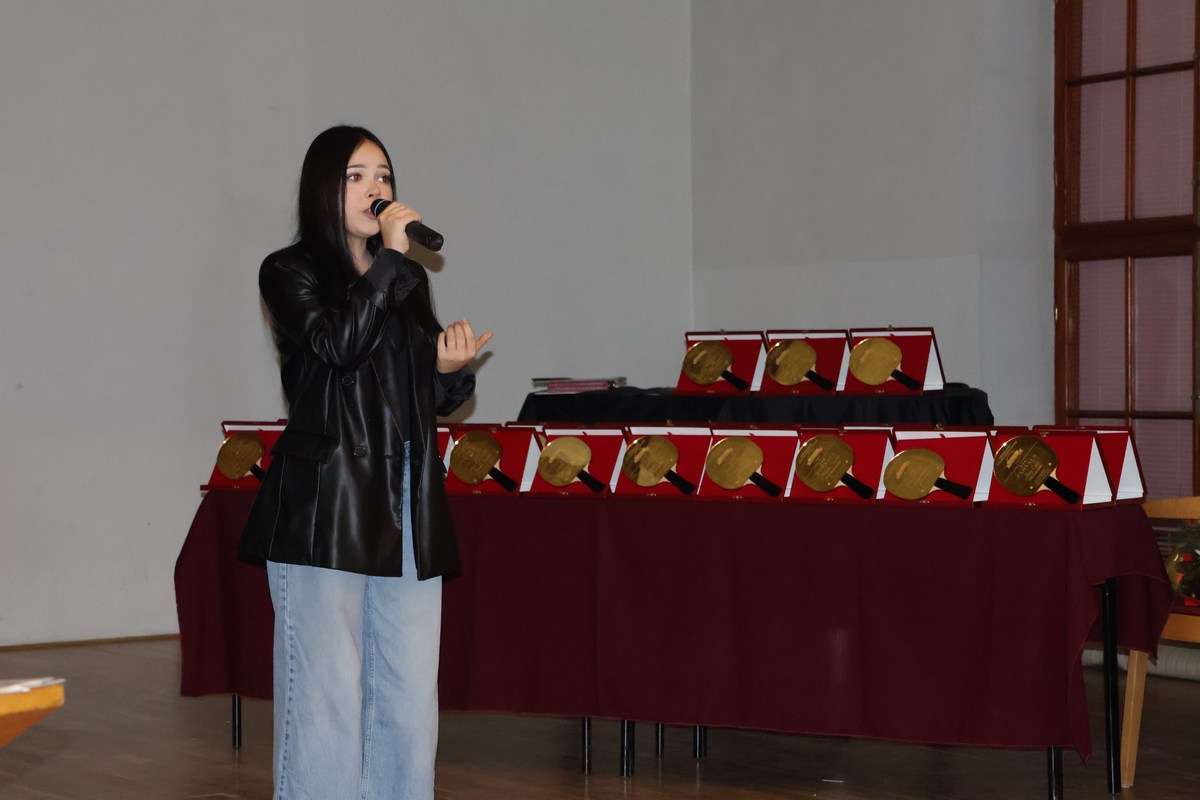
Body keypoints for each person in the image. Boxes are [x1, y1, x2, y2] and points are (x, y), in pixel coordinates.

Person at [239, 125, 491, 799]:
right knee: (326, 693)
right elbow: (338, 347)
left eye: (383, 175)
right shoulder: (289, 271)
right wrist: (390, 262)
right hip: (328, 501)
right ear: (323, 188)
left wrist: (449, 371)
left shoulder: (403, 280)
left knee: (408, 692)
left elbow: (423, 392)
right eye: (356, 176)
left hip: (406, 493)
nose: (375, 188)